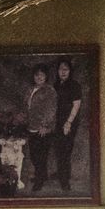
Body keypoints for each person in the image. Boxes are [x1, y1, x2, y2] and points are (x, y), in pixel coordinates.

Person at [53, 58, 82, 193]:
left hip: (69, 121)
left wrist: (68, 122)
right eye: (60, 69)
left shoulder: (75, 85)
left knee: (65, 151)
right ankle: (62, 173)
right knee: (59, 150)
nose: (63, 72)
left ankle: (65, 182)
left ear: (70, 71)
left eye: (66, 69)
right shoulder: (55, 85)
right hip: (56, 122)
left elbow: (76, 106)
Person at [26, 64, 56, 192]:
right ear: (34, 76)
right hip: (31, 127)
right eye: (37, 75)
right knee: (34, 155)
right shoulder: (30, 89)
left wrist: (45, 125)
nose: (39, 77)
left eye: (42, 75)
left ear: (46, 77)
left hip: (43, 128)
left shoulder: (49, 90)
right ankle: (42, 175)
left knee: (40, 156)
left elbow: (51, 110)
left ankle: (39, 181)